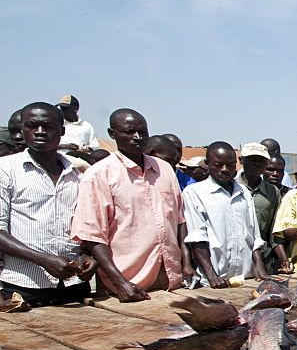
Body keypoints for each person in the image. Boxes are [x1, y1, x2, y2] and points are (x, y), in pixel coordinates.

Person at [71, 108, 192, 302]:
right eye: (128, 132)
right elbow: (93, 237)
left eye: (142, 132)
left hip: (169, 281)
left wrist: (186, 264)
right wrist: (120, 283)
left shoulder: (165, 170)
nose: (137, 137)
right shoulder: (99, 174)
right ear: (112, 134)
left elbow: (179, 221)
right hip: (124, 283)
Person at [0, 102, 97, 306]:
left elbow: (86, 228)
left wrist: (88, 255)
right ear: (22, 130)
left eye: (48, 127)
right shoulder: (5, 170)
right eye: (32, 126)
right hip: (24, 286)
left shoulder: (77, 174)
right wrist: (43, 260)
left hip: (74, 285)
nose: (40, 132)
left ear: (62, 130)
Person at [183, 142, 268, 288]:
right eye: (218, 165)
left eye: (229, 165)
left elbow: (254, 234)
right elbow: (198, 238)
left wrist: (259, 265)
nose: (224, 170)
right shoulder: (194, 193)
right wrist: (212, 276)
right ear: (207, 164)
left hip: (244, 277)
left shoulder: (243, 192)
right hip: (214, 279)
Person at [237, 142, 290, 274]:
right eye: (251, 160)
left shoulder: (272, 192)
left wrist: (283, 258)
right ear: (241, 160)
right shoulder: (231, 188)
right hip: (236, 259)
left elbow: (275, 230)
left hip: (265, 260)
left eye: (260, 161)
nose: (256, 164)